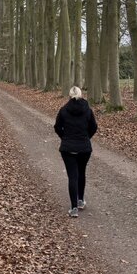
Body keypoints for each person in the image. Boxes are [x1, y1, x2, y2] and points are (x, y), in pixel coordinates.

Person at [54, 86, 98, 217]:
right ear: (81, 94)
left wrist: (65, 138)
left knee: (72, 176)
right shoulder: (88, 110)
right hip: (84, 148)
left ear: (69, 95)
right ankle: (80, 200)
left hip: (68, 148)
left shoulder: (63, 110)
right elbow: (94, 127)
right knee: (81, 173)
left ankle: (74, 208)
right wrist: (86, 137)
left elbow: (57, 127)